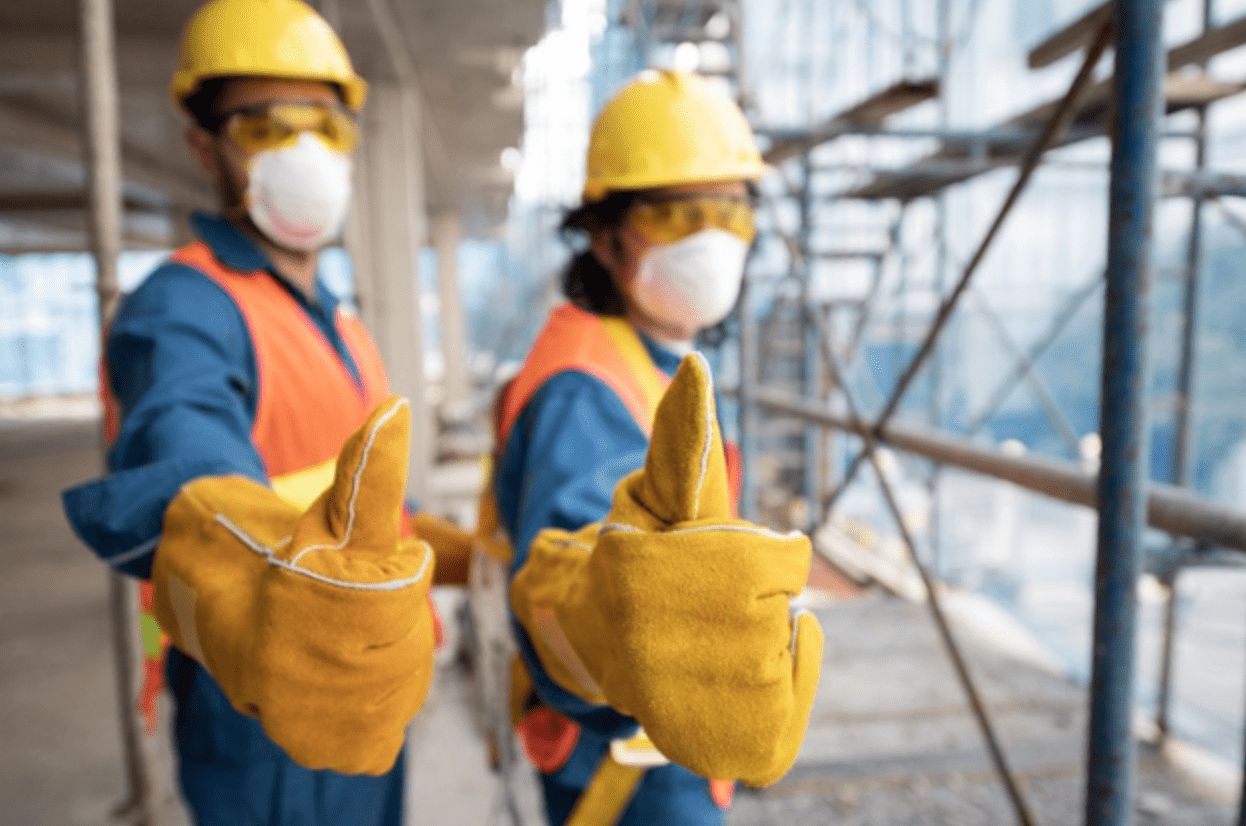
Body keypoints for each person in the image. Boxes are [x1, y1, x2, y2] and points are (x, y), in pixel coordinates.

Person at [61, 0, 469, 823]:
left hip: (366, 667)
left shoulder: (343, 324)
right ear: (203, 145)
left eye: (325, 123)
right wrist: (258, 565)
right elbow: (189, 458)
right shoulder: (185, 306)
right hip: (258, 687)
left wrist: (450, 554)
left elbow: (355, 498)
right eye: (266, 126)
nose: (305, 151)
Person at [496, 69, 825, 826]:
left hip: (659, 750)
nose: (709, 238)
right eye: (677, 214)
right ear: (608, 239)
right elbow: (571, 560)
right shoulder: (585, 385)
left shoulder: (648, 359)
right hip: (632, 774)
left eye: (729, 214)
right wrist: (624, 617)